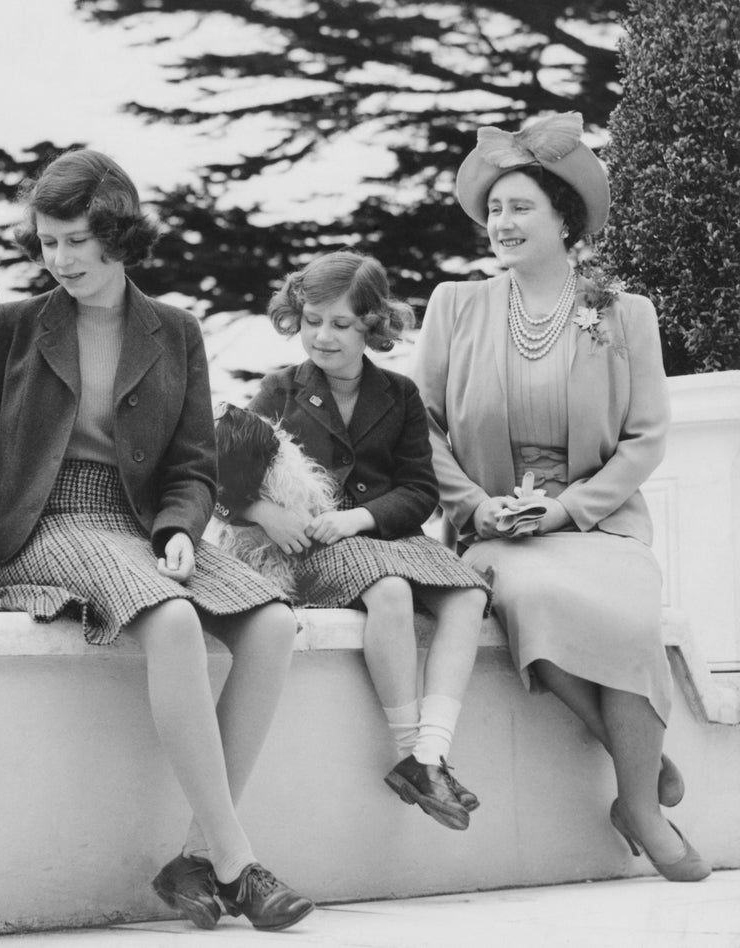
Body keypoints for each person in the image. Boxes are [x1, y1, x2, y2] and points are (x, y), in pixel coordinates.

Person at [0, 150, 314, 932]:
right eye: (48, 242)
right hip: (48, 525)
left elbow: (192, 464)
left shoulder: (175, 331)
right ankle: (240, 862)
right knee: (174, 621)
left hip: (142, 528)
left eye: (78, 239)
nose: (61, 258)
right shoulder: (11, 326)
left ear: (118, 234)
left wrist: (180, 529)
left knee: (275, 622)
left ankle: (195, 858)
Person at [413, 111, 709, 881]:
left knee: (630, 617)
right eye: (496, 209)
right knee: (533, 596)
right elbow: (425, 432)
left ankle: (636, 803)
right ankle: (636, 764)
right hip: (498, 533)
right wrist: (477, 507)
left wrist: (568, 509)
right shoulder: (455, 307)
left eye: (521, 208)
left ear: (564, 220)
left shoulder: (623, 313)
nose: (501, 224)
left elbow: (645, 437)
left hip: (600, 527)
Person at [224, 251, 491, 831]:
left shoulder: (398, 394)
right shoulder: (281, 389)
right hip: (315, 546)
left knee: (469, 596)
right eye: (313, 319)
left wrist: (362, 518)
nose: (323, 335)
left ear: (372, 324)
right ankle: (408, 746)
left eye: (341, 324)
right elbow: (222, 476)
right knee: (390, 591)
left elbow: (420, 491)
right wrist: (268, 514)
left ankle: (428, 756)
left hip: (382, 533)